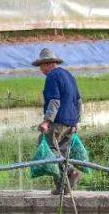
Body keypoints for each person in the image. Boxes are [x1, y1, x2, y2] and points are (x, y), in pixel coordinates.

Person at [32, 47, 83, 194]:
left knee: (49, 149)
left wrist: (46, 121)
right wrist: (76, 122)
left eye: (41, 66)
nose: (41, 69)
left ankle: (71, 172)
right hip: (70, 123)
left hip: (58, 122)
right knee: (63, 153)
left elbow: (54, 101)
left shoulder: (52, 77)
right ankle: (63, 187)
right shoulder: (69, 75)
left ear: (48, 64)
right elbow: (79, 101)